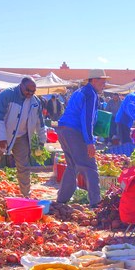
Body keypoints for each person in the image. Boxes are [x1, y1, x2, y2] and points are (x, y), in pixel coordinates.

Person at [0, 77, 46, 198]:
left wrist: (42, 141)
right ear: (21, 85)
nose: (30, 93)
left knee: (24, 166)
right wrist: (1, 138)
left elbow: (40, 123)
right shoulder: (7, 95)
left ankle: (26, 194)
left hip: (21, 137)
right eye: (28, 90)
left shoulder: (35, 102)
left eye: (33, 91)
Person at [56, 69, 108, 208]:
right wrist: (89, 142)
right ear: (94, 80)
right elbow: (86, 119)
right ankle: (96, 203)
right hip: (74, 131)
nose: (104, 85)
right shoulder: (90, 94)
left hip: (63, 129)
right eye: (103, 82)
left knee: (72, 166)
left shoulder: (80, 91)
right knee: (89, 166)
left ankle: (61, 200)